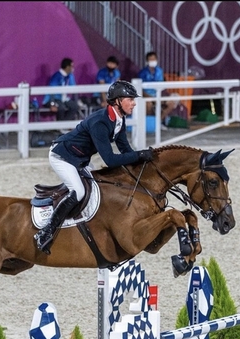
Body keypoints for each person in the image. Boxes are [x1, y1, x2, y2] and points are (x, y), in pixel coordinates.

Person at [34, 80, 153, 255]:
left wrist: (144, 161)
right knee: (79, 192)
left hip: (80, 159)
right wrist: (140, 155)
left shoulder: (119, 120)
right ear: (118, 101)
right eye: (130, 99)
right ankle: (46, 232)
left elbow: (126, 151)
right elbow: (110, 159)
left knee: (99, 187)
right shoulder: (100, 122)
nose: (134, 103)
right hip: (63, 157)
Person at [137, 51, 177, 127]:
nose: (152, 61)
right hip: (147, 96)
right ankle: (149, 124)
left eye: (154, 59)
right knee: (148, 105)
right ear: (147, 61)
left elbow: (161, 86)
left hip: (158, 95)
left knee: (171, 103)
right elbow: (140, 89)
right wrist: (149, 97)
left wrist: (159, 97)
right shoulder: (142, 73)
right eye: (150, 59)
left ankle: (158, 122)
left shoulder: (160, 71)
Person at [43, 57, 79, 121]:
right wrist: (52, 104)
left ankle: (64, 124)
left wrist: (76, 101)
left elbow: (74, 88)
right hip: (54, 99)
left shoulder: (70, 76)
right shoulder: (56, 76)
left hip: (64, 99)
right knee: (61, 107)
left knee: (75, 106)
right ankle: (60, 125)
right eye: (72, 66)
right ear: (67, 67)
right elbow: (51, 91)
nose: (73, 68)